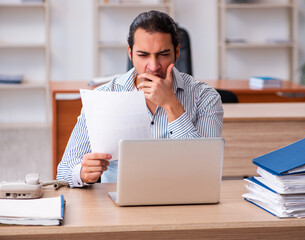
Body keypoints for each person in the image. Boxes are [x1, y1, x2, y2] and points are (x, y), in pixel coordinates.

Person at [57, 10, 224, 188]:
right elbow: (64, 172)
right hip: (119, 206)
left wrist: (171, 104)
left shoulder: (205, 97)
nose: (153, 66)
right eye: (143, 55)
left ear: (176, 51)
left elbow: (206, 171)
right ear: (130, 53)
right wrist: (82, 173)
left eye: (163, 54)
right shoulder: (104, 96)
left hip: (182, 201)